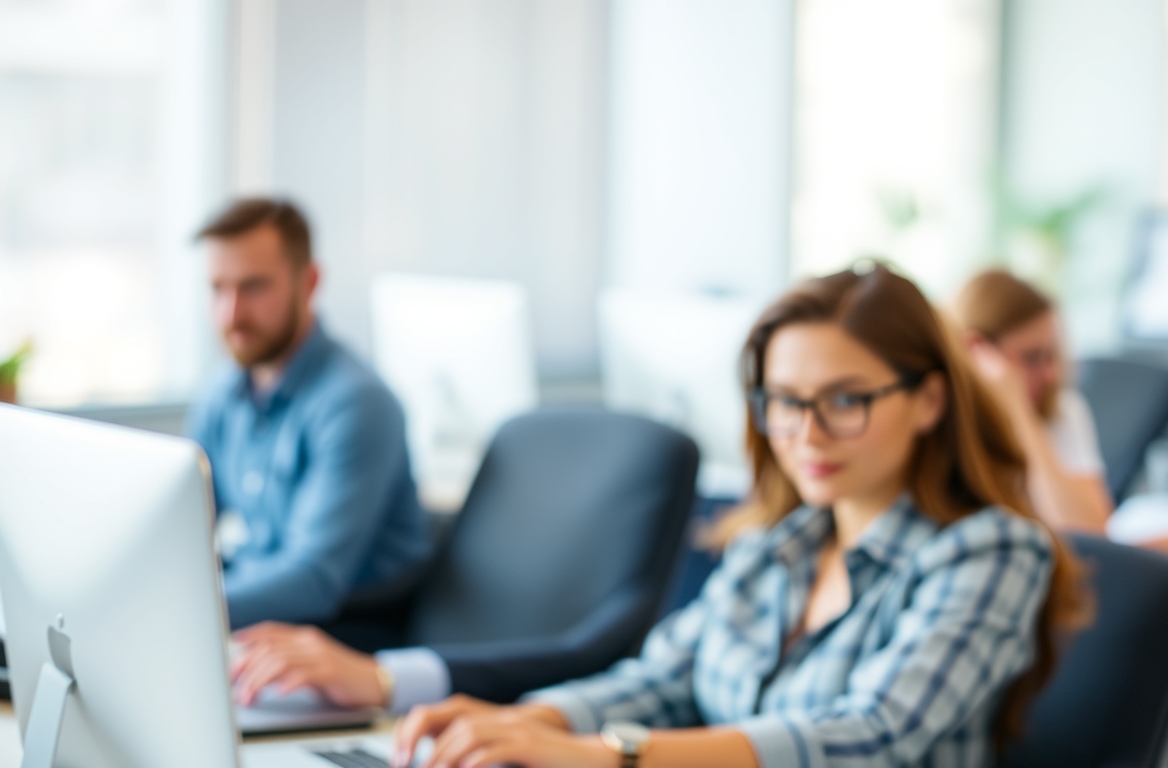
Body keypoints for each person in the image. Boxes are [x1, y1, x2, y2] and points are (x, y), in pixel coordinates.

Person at [233, 263, 1087, 768]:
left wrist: (609, 757)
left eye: (845, 401)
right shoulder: (776, 547)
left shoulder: (991, 551)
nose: (805, 434)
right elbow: (662, 679)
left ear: (930, 399)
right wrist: (529, 721)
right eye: (784, 403)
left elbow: (872, 732)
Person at [188, 197, 432, 631]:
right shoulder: (221, 391)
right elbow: (182, 523)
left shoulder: (356, 403)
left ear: (310, 282)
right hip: (258, 617)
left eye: (254, 287)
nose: (232, 314)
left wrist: (180, 613)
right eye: (218, 289)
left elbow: (313, 580)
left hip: (345, 635)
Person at [951, 269, 1168, 556]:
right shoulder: (942, 422)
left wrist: (1023, 421)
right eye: (1032, 358)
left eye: (1051, 356)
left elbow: (1092, 539)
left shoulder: (1059, 411)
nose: (1049, 375)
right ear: (976, 352)